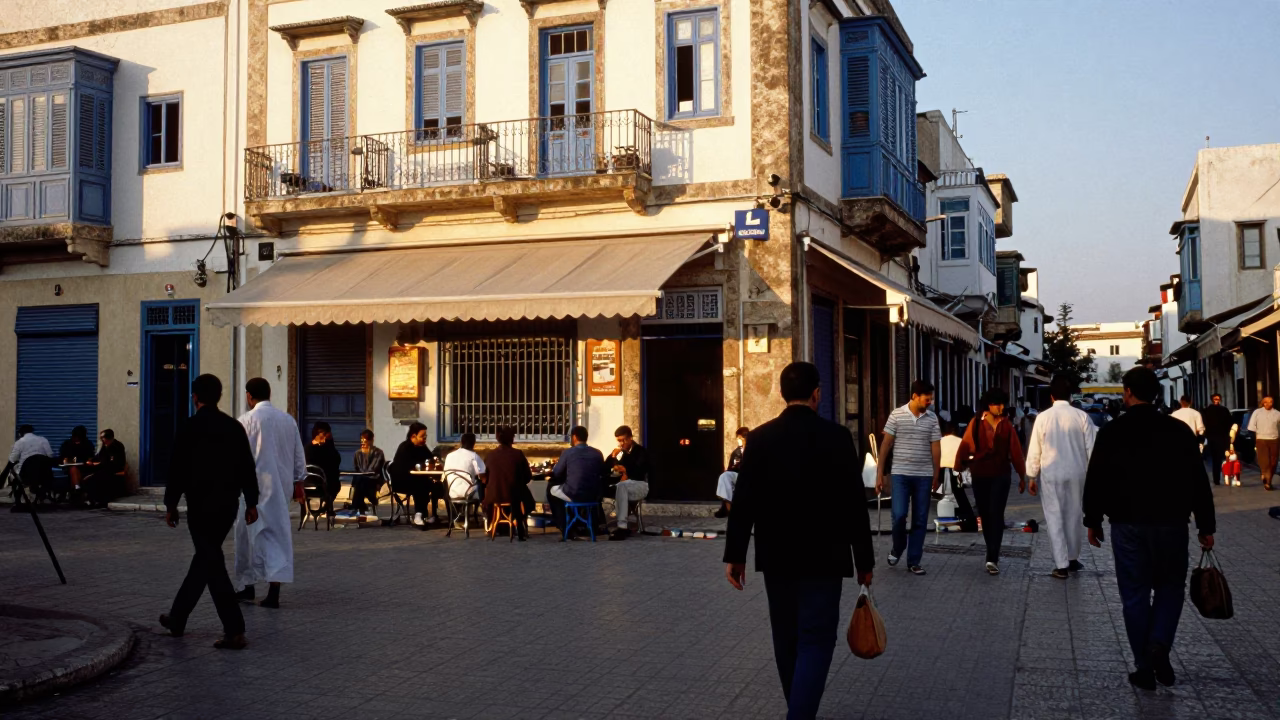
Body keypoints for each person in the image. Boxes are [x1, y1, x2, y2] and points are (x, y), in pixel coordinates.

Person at [724, 362, 874, 720]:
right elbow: (856, 504)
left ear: (781, 393)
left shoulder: (759, 438)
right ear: (817, 393)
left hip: (778, 556)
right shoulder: (838, 437)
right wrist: (864, 561)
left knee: (787, 637)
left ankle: (798, 709)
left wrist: (735, 555)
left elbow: (743, 500)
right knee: (818, 638)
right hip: (827, 556)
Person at [1084, 367, 1216, 691]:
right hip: (1171, 524)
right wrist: (1206, 525)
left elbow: (1097, 478)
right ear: (1157, 393)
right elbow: (1198, 481)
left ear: (1127, 392)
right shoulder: (1179, 431)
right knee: (1171, 587)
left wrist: (1093, 520)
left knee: (1134, 594)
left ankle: (1144, 665)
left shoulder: (1112, 432)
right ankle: (1159, 643)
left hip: (1127, 524)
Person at [161, 374, 260, 650]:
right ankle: (177, 617)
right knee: (206, 560)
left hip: (200, 507)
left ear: (195, 397)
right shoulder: (233, 427)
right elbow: (246, 467)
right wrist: (251, 502)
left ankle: (234, 629)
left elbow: (177, 468)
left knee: (211, 562)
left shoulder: (189, 427)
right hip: (227, 507)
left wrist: (171, 504)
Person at [235, 378, 306, 609]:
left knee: (246, 536)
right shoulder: (287, 420)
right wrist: (299, 482)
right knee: (277, 534)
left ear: (249, 396)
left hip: (251, 488)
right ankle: (274, 587)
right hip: (280, 486)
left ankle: (247, 585)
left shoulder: (245, 421)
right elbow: (298, 455)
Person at [1025, 376, 1097, 579]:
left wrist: (1032, 475)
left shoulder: (1043, 417)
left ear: (1051, 396)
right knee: (1074, 514)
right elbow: (1092, 448)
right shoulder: (1082, 417)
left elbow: (1035, 449)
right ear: (1070, 396)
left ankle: (1061, 564)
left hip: (1052, 473)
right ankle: (1073, 558)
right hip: (1077, 472)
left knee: (1054, 516)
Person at [954, 389, 1027, 575]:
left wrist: (1022, 476)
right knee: (985, 515)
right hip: (980, 474)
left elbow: (1016, 452)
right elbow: (966, 444)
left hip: (1001, 474)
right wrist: (957, 468)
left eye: (1002, 404)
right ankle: (990, 548)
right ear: (988, 405)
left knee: (996, 513)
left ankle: (992, 556)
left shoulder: (1006, 425)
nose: (1000, 407)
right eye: (997, 404)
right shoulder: (976, 423)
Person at [876, 380, 941, 576]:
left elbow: (936, 447)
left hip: (924, 476)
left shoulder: (932, 419)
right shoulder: (897, 415)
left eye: (931, 399)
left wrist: (936, 475)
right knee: (899, 516)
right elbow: (886, 445)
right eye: (926, 399)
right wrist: (880, 474)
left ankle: (914, 560)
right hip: (900, 474)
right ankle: (898, 547)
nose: (929, 402)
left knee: (920, 520)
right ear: (914, 396)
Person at [549, 426, 605, 540]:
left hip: (574, 493)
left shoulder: (568, 453)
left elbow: (557, 472)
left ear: (574, 437)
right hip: (593, 495)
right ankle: (591, 525)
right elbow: (602, 472)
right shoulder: (597, 453)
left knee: (551, 490)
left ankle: (564, 526)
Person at [483, 426, 534, 541]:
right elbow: (528, 477)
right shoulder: (518, 454)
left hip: (494, 495)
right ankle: (518, 525)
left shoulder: (490, 455)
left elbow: (485, 477)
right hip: (514, 494)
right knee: (523, 494)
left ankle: (498, 526)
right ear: (512, 439)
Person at [604, 425, 650, 541]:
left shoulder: (640, 451)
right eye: (619, 441)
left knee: (622, 486)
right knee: (604, 484)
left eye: (623, 440)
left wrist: (624, 469)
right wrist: (612, 457)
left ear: (630, 438)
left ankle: (622, 526)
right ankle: (598, 523)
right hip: (623, 485)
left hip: (640, 485)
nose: (621, 443)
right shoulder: (621, 452)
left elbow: (638, 472)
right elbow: (606, 467)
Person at [391, 422, 436, 527]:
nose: (424, 439)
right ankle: (419, 514)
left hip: (417, 478)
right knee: (422, 484)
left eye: (425, 436)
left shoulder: (422, 447)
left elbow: (430, 458)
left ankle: (432, 514)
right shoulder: (405, 447)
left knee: (435, 484)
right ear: (413, 436)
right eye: (422, 436)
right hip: (402, 481)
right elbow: (407, 466)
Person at [81, 429, 128, 508]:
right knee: (87, 473)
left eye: (103, 438)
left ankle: (98, 499)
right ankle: (91, 497)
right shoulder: (104, 446)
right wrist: (91, 461)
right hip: (104, 467)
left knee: (95, 477)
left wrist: (98, 464)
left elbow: (113, 462)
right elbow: (99, 457)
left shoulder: (117, 446)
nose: (102, 440)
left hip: (113, 468)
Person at [344, 429, 384, 519]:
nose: (363, 444)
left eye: (365, 441)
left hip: (374, 480)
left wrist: (366, 455)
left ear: (371, 441)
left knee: (359, 479)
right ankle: (362, 504)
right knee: (359, 479)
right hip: (362, 481)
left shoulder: (378, 453)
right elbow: (357, 468)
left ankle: (356, 505)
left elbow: (372, 470)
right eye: (362, 441)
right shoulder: (357, 453)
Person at [443, 432, 487, 506]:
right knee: (482, 484)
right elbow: (483, 477)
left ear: (461, 442)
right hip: (469, 493)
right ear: (474, 443)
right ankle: (483, 510)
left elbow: (445, 473)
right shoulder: (474, 456)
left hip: (451, 492)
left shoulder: (449, 456)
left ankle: (454, 515)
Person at [714, 427, 749, 518]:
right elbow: (731, 467)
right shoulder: (736, 452)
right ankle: (729, 509)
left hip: (751, 476)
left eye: (741, 438)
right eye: (739, 438)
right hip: (738, 475)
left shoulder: (754, 448)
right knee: (724, 477)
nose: (739, 440)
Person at [305, 422, 342, 506]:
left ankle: (326, 505)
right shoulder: (310, 449)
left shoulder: (326, 447)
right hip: (317, 482)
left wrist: (329, 443)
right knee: (333, 483)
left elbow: (336, 459)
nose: (325, 438)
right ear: (317, 434)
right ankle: (328, 506)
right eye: (324, 435)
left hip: (315, 482)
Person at [1248, 395, 1280, 491]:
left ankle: (1267, 478)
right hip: (1261, 439)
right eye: (1266, 402)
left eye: (1270, 401)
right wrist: (1254, 440)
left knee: (1273, 462)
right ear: (1263, 403)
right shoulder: (1257, 412)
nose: (1268, 403)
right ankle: (1267, 482)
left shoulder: (1277, 413)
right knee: (1265, 461)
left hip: (1274, 439)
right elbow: (1251, 427)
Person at [1201, 393, 1233, 486]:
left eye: (1218, 398)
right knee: (1217, 459)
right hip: (1217, 437)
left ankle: (1218, 478)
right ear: (1212, 399)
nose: (1217, 400)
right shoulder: (1222, 410)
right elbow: (1229, 423)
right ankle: (1218, 478)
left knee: (1217, 459)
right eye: (1215, 398)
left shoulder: (1208, 411)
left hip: (1216, 437)